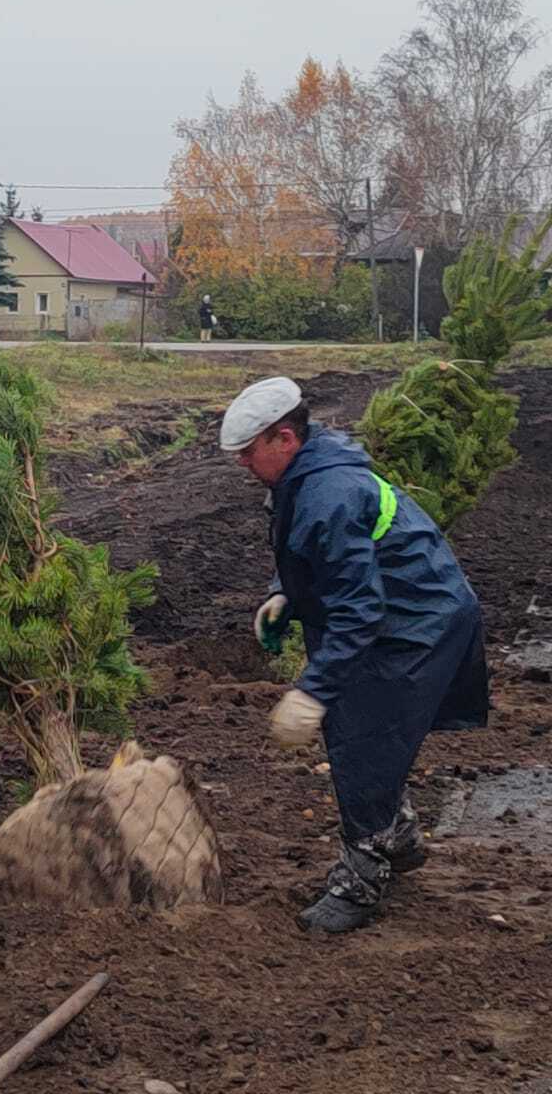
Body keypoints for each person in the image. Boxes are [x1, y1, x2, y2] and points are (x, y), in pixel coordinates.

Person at [221, 376, 488, 933]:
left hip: (415, 620)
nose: (242, 464)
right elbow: (312, 551)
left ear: (285, 438)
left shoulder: (328, 494)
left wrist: (312, 692)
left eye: (248, 452)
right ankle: (401, 836)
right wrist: (282, 592)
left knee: (362, 738)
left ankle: (360, 880)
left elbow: (358, 611)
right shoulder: (310, 472)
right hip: (404, 607)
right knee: (366, 732)